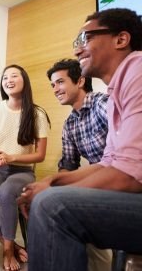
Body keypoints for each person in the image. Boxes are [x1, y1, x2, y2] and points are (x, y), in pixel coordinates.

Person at [18, 8, 142, 271]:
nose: (78, 50)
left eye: (85, 39)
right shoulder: (110, 99)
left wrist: (55, 190)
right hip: (120, 185)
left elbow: (128, 174)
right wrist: (53, 180)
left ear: (121, 39)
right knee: (45, 197)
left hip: (128, 189)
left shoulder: (136, 72)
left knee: (54, 206)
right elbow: (108, 163)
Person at [0, 64, 50, 271]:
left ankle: (8, 252)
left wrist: (12, 157)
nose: (8, 80)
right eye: (5, 77)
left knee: (7, 192)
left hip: (23, 172)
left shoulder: (37, 114)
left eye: (14, 76)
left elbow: (40, 155)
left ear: (24, 80)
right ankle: (10, 246)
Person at [47, 58, 112, 271]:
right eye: (53, 85)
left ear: (80, 81)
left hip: (121, 179)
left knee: (79, 214)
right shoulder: (70, 123)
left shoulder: (102, 103)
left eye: (60, 82)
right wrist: (55, 187)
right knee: (50, 201)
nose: (55, 89)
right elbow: (68, 163)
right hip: (99, 181)